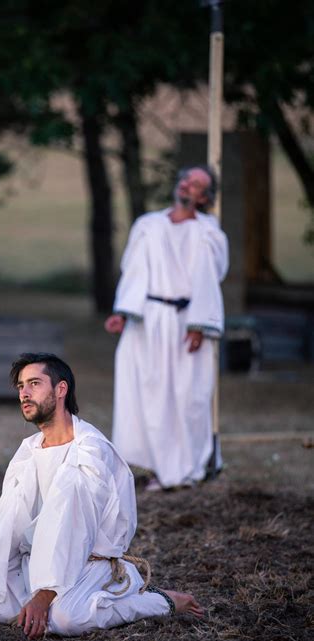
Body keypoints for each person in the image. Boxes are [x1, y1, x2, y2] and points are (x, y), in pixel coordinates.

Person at [0, 352, 203, 638]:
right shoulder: (28, 451)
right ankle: (44, 604)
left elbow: (75, 528)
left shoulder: (90, 450)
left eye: (34, 384)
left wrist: (44, 596)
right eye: (20, 386)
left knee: (66, 620)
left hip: (87, 565)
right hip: (32, 564)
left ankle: (155, 599)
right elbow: (9, 521)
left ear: (60, 389)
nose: (24, 394)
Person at [105, 166, 229, 491]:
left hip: (187, 322)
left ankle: (185, 468)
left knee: (187, 396)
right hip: (148, 319)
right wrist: (123, 311)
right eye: (187, 179)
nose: (188, 185)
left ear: (204, 196)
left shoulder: (208, 233)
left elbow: (208, 278)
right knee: (147, 393)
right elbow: (133, 271)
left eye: (197, 184)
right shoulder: (148, 226)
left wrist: (199, 324)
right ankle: (153, 467)